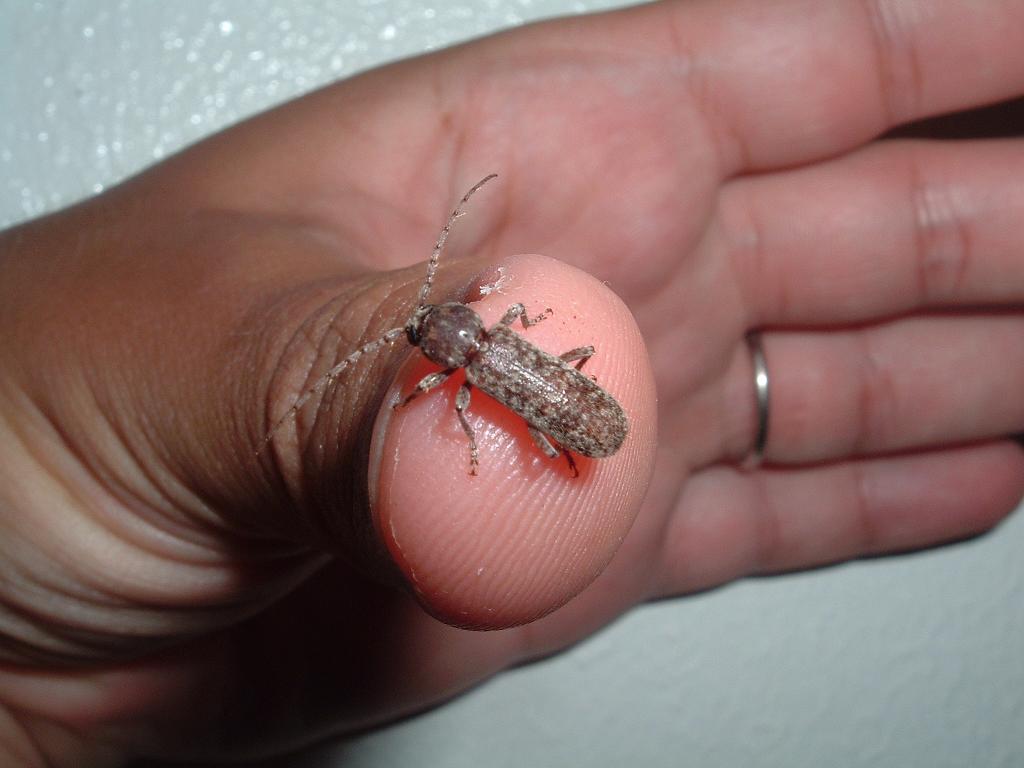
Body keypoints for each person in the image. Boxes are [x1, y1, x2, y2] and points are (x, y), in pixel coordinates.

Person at [1, 0, 1022, 764]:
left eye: (440, 333)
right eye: (439, 343)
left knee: (550, 402)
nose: (438, 342)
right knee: (544, 409)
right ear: (454, 349)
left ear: (456, 339)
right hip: (565, 399)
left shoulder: (462, 363)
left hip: (572, 399)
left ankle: (573, 432)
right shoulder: (468, 356)